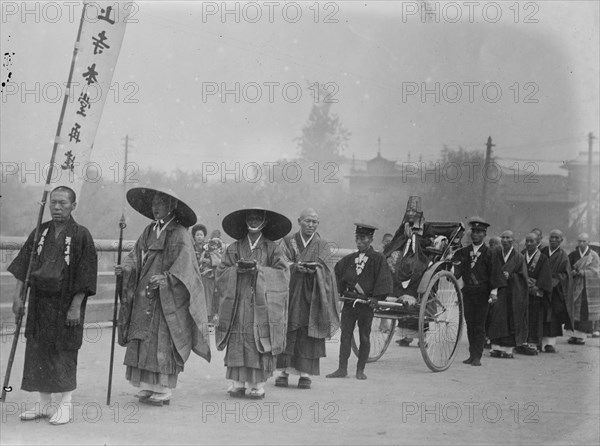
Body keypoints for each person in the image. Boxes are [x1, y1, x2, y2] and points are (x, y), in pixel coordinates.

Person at [9, 186, 98, 425]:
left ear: (73, 206)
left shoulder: (81, 234)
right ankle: (43, 403)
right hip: (39, 301)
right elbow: (22, 266)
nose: (57, 207)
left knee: (64, 351)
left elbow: (86, 275)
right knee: (38, 350)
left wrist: (75, 307)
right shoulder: (40, 231)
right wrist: (17, 297)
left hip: (65, 302)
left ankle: (65, 404)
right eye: (53, 203)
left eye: (63, 203)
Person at [116, 187, 211, 406]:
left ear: (172, 206)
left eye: (161, 203)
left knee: (163, 338)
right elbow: (135, 256)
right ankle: (147, 386)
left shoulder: (180, 233)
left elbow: (187, 268)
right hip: (144, 292)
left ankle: (164, 388)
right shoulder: (149, 230)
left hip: (167, 297)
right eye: (154, 203)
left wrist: (168, 280)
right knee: (142, 336)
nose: (156, 207)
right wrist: (126, 269)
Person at [215, 208, 291, 399]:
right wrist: (235, 270)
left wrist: (260, 270)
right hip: (238, 301)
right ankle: (238, 383)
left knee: (258, 339)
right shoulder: (234, 247)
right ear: (245, 221)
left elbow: (283, 273)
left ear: (265, 222)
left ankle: (257, 385)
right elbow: (221, 271)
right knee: (238, 339)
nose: (254, 221)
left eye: (258, 218)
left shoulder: (273, 248)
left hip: (261, 303)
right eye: (250, 217)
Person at [275, 208, 340, 389]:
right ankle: (283, 371)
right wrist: (294, 267)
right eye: (307, 221)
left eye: (314, 222)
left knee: (309, 331)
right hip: (292, 291)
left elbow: (328, 272)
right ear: (299, 221)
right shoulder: (288, 241)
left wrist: (317, 270)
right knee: (288, 328)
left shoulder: (322, 245)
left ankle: (305, 374)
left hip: (313, 294)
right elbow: (279, 263)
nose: (311, 225)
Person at [326, 223, 393, 380]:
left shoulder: (378, 259)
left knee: (364, 336)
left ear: (370, 239)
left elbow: (383, 280)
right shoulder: (349, 259)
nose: (359, 242)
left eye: (363, 238)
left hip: (366, 305)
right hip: (350, 304)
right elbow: (337, 276)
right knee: (345, 337)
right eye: (357, 238)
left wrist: (375, 298)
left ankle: (360, 370)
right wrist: (338, 291)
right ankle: (342, 369)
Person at [453, 216, 505, 366]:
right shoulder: (464, 252)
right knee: (469, 324)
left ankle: (478, 356)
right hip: (468, 292)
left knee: (479, 325)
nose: (475, 234)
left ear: (484, 234)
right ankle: (471, 354)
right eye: (473, 231)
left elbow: (495, 274)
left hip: (482, 293)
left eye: (479, 232)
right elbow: (457, 270)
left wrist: (494, 292)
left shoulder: (490, 253)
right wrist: (451, 268)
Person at [383, 205, 429, 347]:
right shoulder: (403, 227)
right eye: (408, 211)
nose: (410, 214)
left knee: (410, 266)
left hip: (418, 256)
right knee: (390, 259)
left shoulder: (424, 227)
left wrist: (414, 238)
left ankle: (422, 337)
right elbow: (395, 241)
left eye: (413, 212)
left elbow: (428, 243)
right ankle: (406, 336)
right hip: (402, 256)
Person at [487, 231, 529, 359]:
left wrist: (511, 276)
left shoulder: (519, 258)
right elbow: (490, 271)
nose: (505, 240)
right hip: (498, 292)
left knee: (510, 320)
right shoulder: (495, 254)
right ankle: (496, 348)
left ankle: (508, 350)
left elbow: (523, 278)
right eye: (503, 237)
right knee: (496, 319)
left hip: (512, 294)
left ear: (513, 240)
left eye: (508, 238)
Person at [515, 232, 553, 355]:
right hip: (522, 292)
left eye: (532, 241)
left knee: (534, 318)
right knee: (521, 317)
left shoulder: (542, 258)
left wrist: (535, 286)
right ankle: (521, 342)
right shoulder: (521, 255)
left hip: (535, 293)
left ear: (538, 243)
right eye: (527, 241)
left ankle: (533, 344)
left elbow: (545, 277)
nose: (529, 243)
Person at [539, 229, 573, 353]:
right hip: (541, 289)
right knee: (540, 316)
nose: (553, 240)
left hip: (554, 291)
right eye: (551, 237)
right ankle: (539, 341)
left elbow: (565, 275)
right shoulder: (542, 251)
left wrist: (551, 282)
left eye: (556, 238)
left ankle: (550, 343)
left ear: (561, 240)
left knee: (552, 318)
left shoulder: (563, 256)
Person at [566, 233, 600, 343]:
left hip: (586, 288)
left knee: (584, 311)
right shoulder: (573, 254)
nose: (581, 243)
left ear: (588, 242)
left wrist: (583, 272)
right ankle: (573, 335)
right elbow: (567, 268)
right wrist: (572, 272)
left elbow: (596, 271)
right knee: (573, 309)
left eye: (584, 241)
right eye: (579, 241)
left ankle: (582, 336)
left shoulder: (593, 255)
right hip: (575, 286)